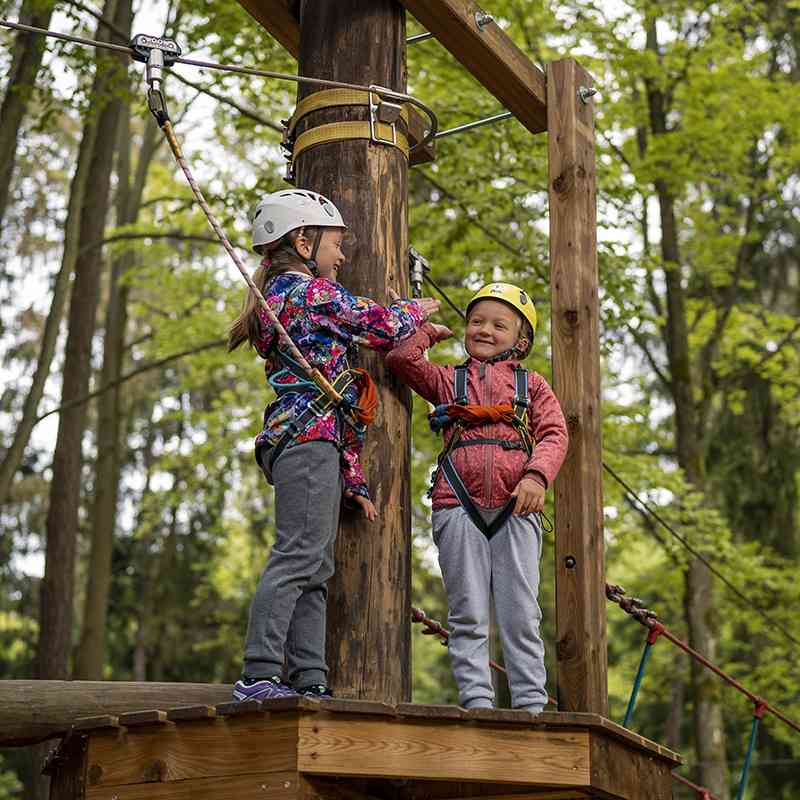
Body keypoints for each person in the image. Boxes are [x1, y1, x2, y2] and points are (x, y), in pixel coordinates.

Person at [228, 189, 440, 701]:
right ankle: (259, 674)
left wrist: (352, 479)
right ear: (303, 241)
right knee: (299, 555)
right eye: (336, 245)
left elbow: (336, 406)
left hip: (314, 441)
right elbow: (376, 322)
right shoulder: (303, 293)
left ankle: (309, 678)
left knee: (316, 564)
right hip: (304, 440)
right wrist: (419, 313)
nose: (342, 257)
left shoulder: (293, 298)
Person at [386, 282, 568, 713]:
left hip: (516, 506)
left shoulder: (532, 386)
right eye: (476, 322)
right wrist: (427, 330)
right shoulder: (449, 381)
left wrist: (537, 477)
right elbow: (400, 359)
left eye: (499, 325)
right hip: (458, 504)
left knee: (521, 613)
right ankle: (477, 703)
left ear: (520, 340)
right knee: (467, 614)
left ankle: (530, 705)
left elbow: (555, 433)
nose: (484, 330)